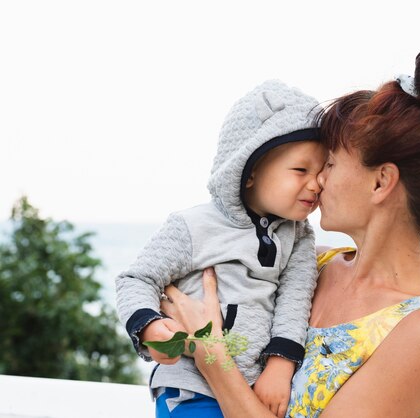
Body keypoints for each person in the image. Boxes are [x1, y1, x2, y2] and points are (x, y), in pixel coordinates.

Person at [160, 44, 420, 417]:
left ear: (381, 183)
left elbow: (211, 343)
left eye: (329, 163)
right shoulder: (310, 264)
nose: (318, 180)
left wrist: (213, 357)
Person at [115, 79, 327, 417]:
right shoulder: (193, 226)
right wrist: (150, 327)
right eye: (301, 169)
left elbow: (294, 302)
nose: (316, 183)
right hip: (191, 386)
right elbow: (136, 279)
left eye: (322, 171)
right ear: (249, 171)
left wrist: (281, 366)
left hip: (253, 390)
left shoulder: (299, 238)